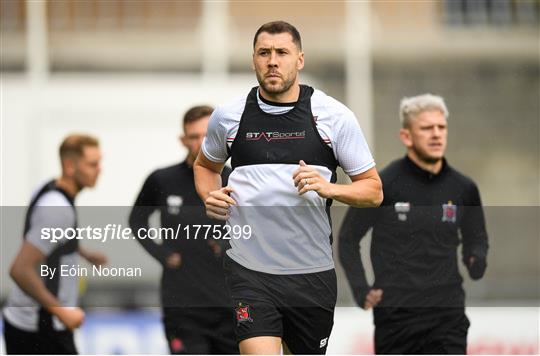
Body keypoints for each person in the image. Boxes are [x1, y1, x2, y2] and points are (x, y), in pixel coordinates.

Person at [194, 21, 383, 354]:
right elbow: (205, 166)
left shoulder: (333, 117)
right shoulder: (228, 116)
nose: (272, 61)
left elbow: (373, 190)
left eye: (282, 52)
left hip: (311, 274)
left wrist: (330, 189)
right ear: (253, 60)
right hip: (248, 270)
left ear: (300, 59)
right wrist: (211, 196)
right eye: (264, 53)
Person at [339, 93, 489, 354]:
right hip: (397, 320)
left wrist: (475, 257)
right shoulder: (384, 186)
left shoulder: (464, 188)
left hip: (447, 317)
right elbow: (347, 239)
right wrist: (361, 289)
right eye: (426, 128)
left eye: (441, 127)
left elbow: (477, 237)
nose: (436, 134)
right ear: (406, 136)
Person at [129, 105, 238, 354]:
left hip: (229, 304)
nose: (200, 143)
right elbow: (137, 220)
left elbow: (256, 230)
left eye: (207, 136)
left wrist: (228, 245)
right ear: (183, 140)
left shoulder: (236, 181)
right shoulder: (162, 180)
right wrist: (162, 253)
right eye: (193, 137)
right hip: (182, 306)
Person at [3, 134, 107, 354]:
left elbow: (46, 238)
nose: (100, 169)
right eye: (92, 164)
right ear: (69, 166)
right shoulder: (58, 210)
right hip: (41, 326)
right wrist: (62, 312)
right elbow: (19, 270)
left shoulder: (47, 188)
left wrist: (83, 253)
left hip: (26, 320)